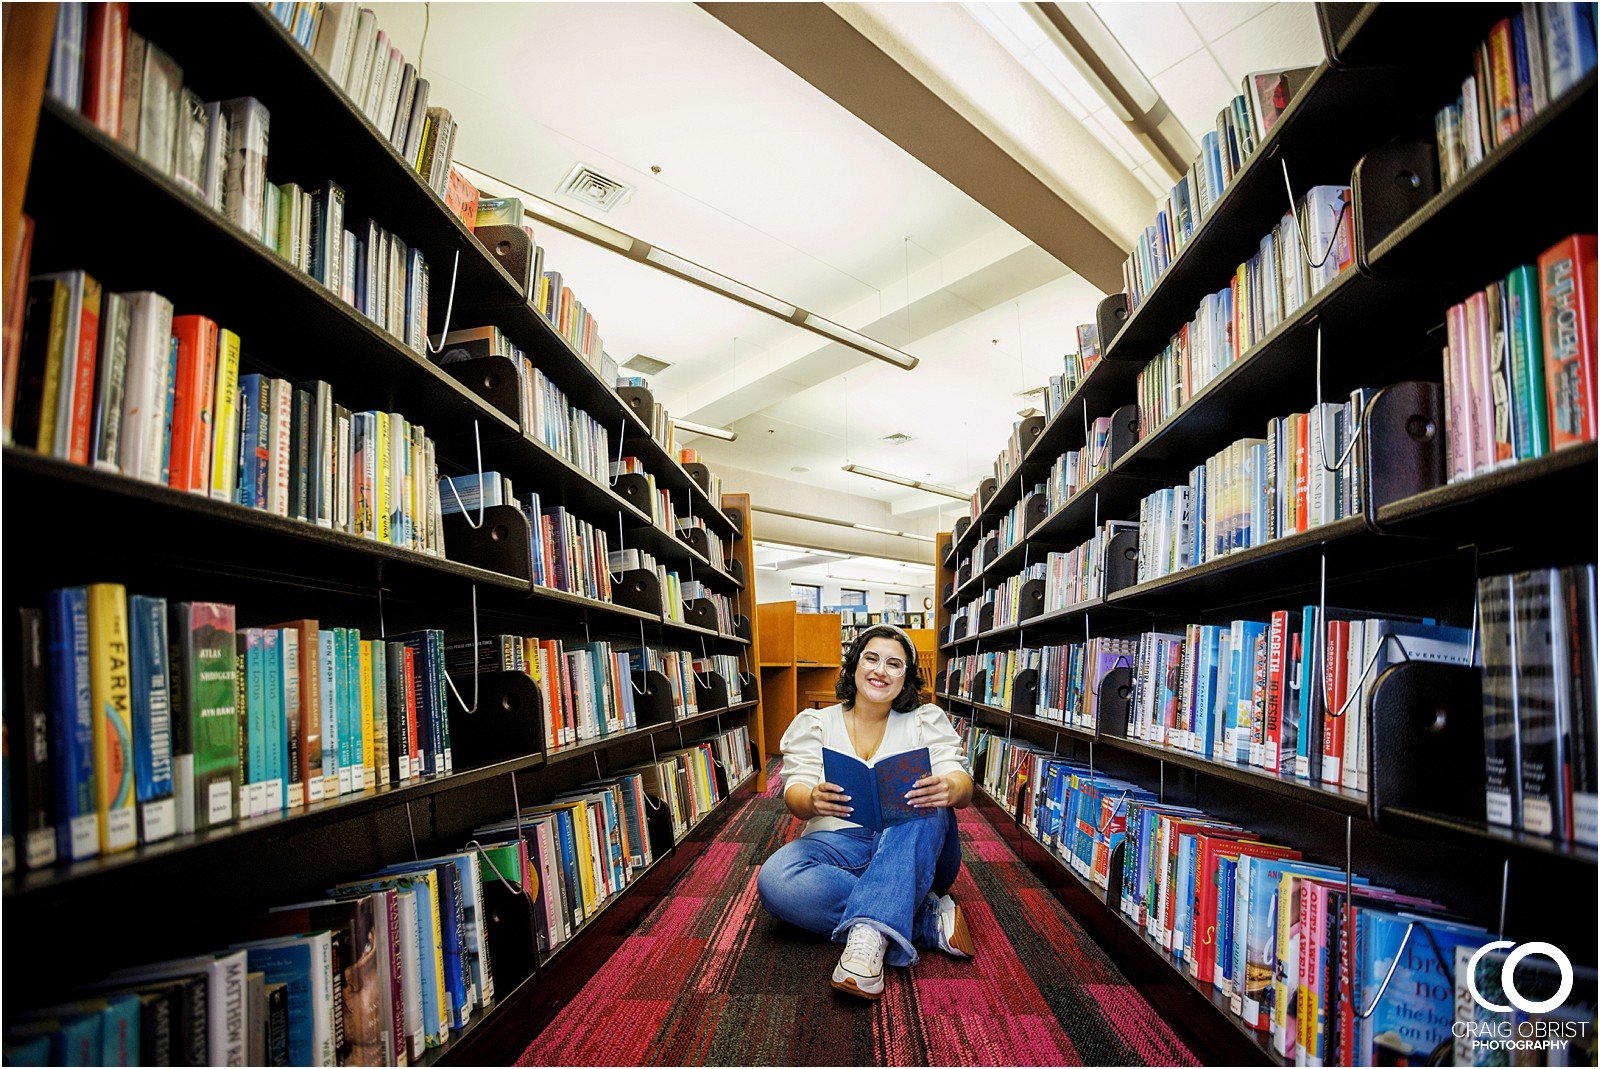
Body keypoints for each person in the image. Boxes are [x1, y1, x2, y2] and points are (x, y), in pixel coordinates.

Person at [756, 623, 976, 1000]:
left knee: (924, 802)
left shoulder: (926, 720)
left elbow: (963, 784)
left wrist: (949, 787)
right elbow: (794, 792)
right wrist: (810, 800)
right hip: (839, 843)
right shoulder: (815, 723)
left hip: (914, 844)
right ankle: (920, 917)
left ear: (905, 677)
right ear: (854, 665)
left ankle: (870, 939)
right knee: (776, 879)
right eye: (871, 659)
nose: (880, 671)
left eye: (894, 664)